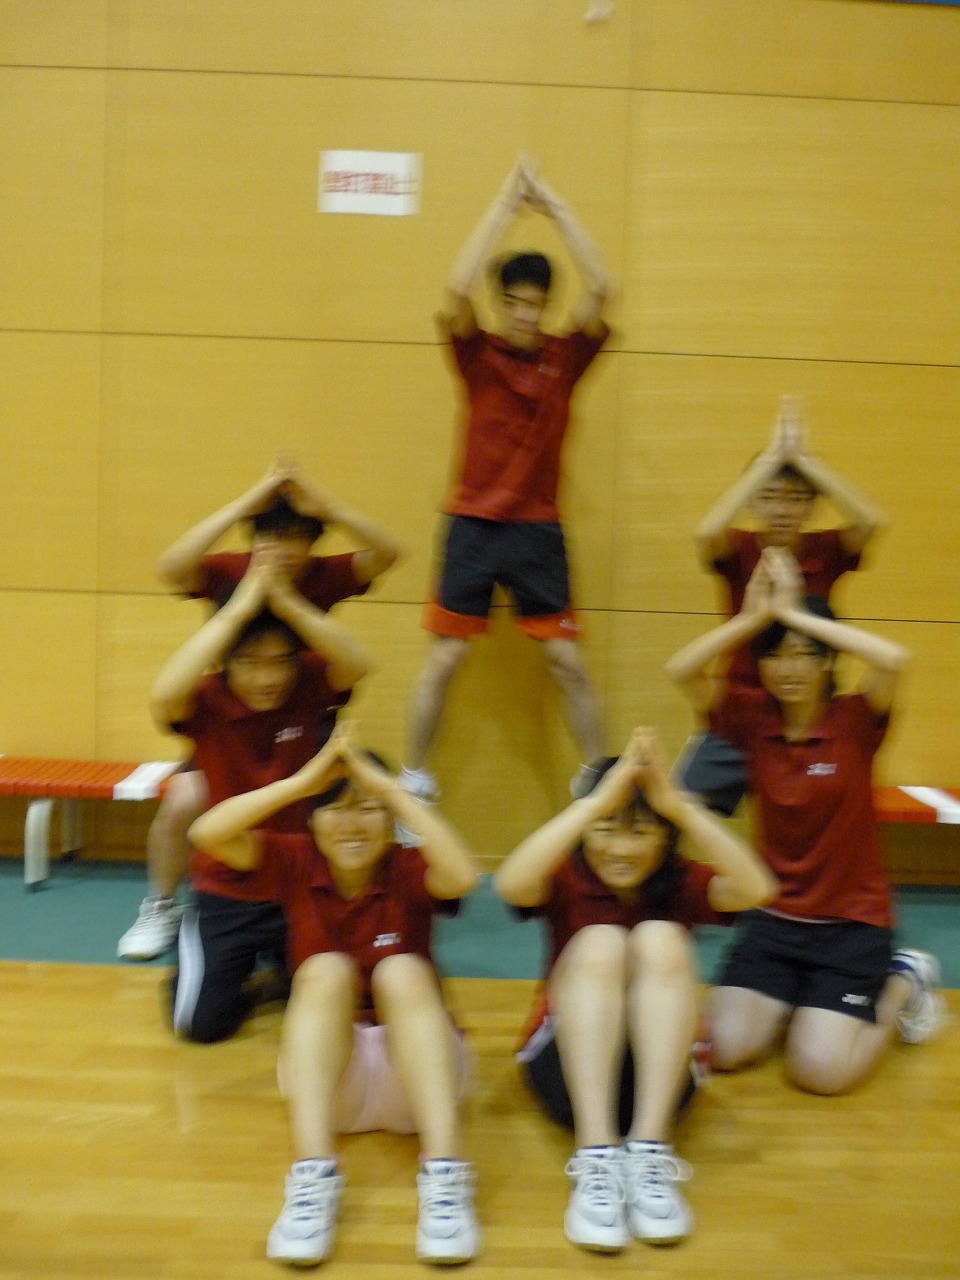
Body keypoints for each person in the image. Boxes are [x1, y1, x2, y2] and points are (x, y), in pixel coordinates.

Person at [187, 726, 481, 1267]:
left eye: (367, 809)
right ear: (312, 819)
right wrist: (300, 783)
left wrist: (390, 789)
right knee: (324, 970)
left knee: (401, 971)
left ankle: (445, 1174)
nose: (351, 823)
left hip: (420, 1080)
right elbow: (207, 832)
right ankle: (312, 1179)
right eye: (335, 809)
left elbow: (463, 875)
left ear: (389, 820)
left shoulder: (407, 866)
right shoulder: (296, 859)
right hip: (329, 1081)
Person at [665, 547, 944, 1095]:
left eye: (805, 655)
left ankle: (903, 981)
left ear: (827, 663)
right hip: (774, 922)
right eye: (776, 655)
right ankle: (799, 999)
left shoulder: (856, 720)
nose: (789, 669)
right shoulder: (750, 719)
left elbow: (895, 659)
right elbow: (681, 670)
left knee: (820, 1073)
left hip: (851, 927)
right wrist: (752, 620)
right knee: (725, 1049)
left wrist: (796, 615)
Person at [494, 728, 776, 1253]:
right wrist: (595, 801)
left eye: (640, 831)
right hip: (566, 1073)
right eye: (606, 829)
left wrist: (680, 806)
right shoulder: (567, 876)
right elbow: (511, 883)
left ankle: (648, 1152)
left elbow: (755, 889)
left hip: (661, 1084)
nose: (620, 849)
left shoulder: (680, 879)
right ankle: (596, 1158)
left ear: (665, 839)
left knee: (660, 937)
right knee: (602, 941)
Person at [119, 455, 401, 961]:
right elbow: (171, 569)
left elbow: (387, 555)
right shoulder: (235, 572)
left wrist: (327, 507)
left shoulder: (322, 576)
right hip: (229, 722)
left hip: (306, 710)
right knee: (184, 800)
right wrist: (244, 505)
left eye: (296, 538)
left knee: (337, 796)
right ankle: (160, 905)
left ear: (312, 543)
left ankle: (346, 898)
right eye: (271, 537)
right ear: (254, 540)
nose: (283, 549)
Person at [400, 157, 611, 808]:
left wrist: (555, 209)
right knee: (444, 660)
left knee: (567, 662)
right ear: (502, 306)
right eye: (513, 303)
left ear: (546, 307)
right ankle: (413, 782)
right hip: (472, 525)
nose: (523, 314)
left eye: (534, 304)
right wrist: (503, 206)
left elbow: (603, 288)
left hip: (537, 530)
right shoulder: (478, 352)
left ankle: (600, 785)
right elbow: (456, 287)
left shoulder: (564, 358)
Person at [151, 554, 370, 1043]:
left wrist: (287, 601)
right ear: (224, 663)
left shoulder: (307, 685)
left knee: (332, 1004)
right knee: (200, 1026)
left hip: (298, 882)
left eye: (280, 661)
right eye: (250, 662)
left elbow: (357, 663)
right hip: (226, 883)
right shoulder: (206, 700)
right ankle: (207, 946)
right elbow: (163, 694)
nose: (268, 678)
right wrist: (237, 609)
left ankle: (277, 971)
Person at [677, 395, 885, 815]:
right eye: (769, 497)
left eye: (795, 499)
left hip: (810, 706)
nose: (782, 509)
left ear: (811, 506)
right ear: (753, 502)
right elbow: (706, 533)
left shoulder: (825, 548)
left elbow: (870, 522)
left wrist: (806, 462)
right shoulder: (740, 547)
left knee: (809, 809)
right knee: (683, 804)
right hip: (743, 702)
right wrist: (768, 460)